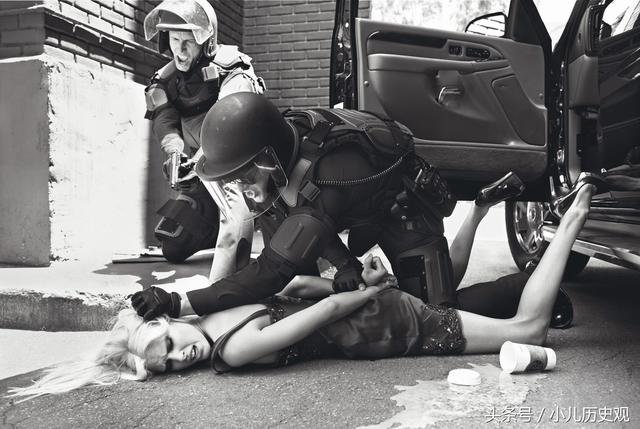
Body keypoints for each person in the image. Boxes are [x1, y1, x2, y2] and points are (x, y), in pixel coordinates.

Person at [8, 182, 595, 401]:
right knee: (473, 302)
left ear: (167, 324)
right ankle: (551, 233)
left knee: (527, 331)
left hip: (385, 326)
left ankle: (571, 222)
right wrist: (360, 284)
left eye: (164, 346)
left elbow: (320, 309)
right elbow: (296, 291)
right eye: (165, 368)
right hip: (377, 313)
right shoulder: (222, 321)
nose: (177, 359)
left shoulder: (234, 348)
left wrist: (363, 289)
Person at [130, 93, 571, 327]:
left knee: (437, 314)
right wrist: (344, 264)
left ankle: (529, 285)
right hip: (355, 207)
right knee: (303, 239)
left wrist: (177, 301)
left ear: (267, 160)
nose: (238, 186)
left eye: (243, 175)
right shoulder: (281, 147)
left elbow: (271, 271)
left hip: (404, 210)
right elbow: (305, 218)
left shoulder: (324, 177)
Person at [143, 0, 264, 272]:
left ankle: (256, 227)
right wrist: (175, 153)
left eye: (188, 41)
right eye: (175, 40)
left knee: (263, 260)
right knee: (173, 248)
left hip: (246, 173)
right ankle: (216, 226)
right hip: (203, 175)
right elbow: (164, 119)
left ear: (206, 42)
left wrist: (199, 158)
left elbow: (228, 119)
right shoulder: (164, 80)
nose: (180, 50)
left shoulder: (233, 68)